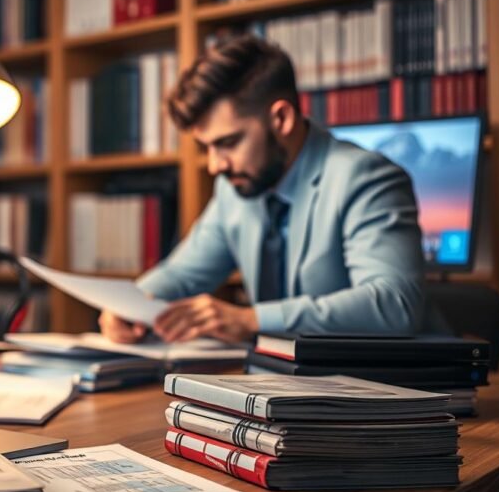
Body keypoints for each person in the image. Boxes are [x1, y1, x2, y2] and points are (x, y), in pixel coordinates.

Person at [100, 35, 426, 345]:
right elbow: (183, 274)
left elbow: (394, 305)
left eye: (227, 143)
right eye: (206, 148)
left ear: (281, 119)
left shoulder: (365, 177)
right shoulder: (237, 186)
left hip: (383, 388)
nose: (215, 166)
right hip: (279, 385)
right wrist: (130, 306)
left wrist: (251, 320)